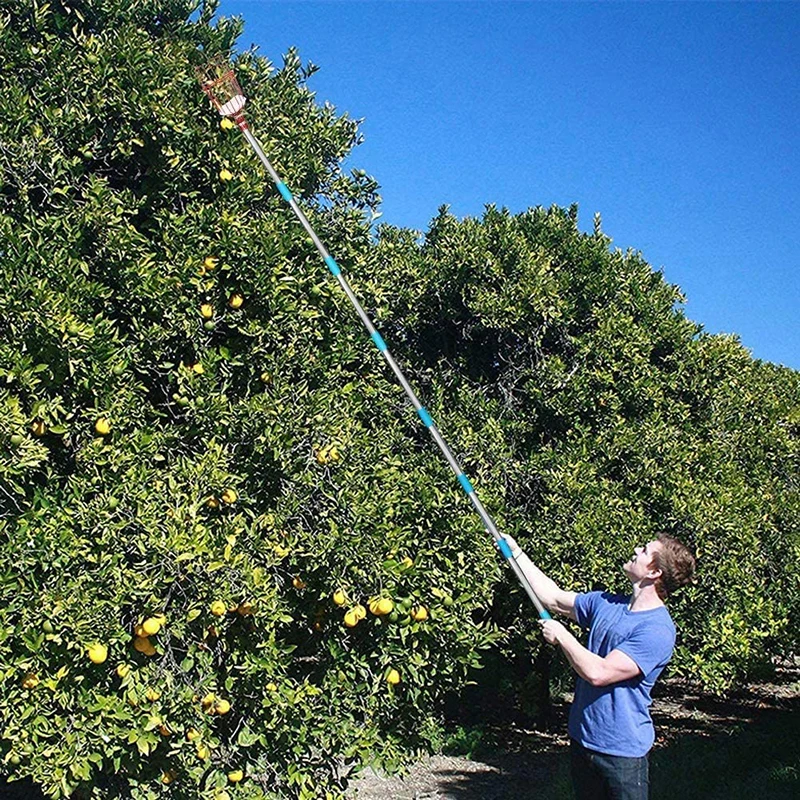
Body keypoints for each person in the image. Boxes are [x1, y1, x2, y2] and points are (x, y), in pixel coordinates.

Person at [503, 533, 695, 800]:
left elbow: (599, 673)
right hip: (583, 740)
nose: (636, 548)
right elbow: (552, 598)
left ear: (655, 572)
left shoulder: (657, 630)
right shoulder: (607, 603)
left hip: (622, 754)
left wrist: (562, 636)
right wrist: (516, 553)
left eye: (645, 550)